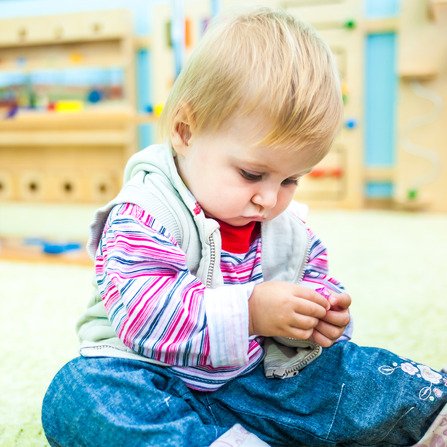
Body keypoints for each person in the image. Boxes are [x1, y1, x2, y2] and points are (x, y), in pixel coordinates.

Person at [41, 7, 447, 447]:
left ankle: (429, 412)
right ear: (186, 131)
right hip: (150, 377)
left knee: (354, 373)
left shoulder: (287, 229)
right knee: (76, 396)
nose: (269, 199)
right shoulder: (144, 213)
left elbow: (312, 282)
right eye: (253, 175)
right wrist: (251, 311)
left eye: (290, 179)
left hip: (257, 379)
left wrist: (320, 319)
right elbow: (146, 320)